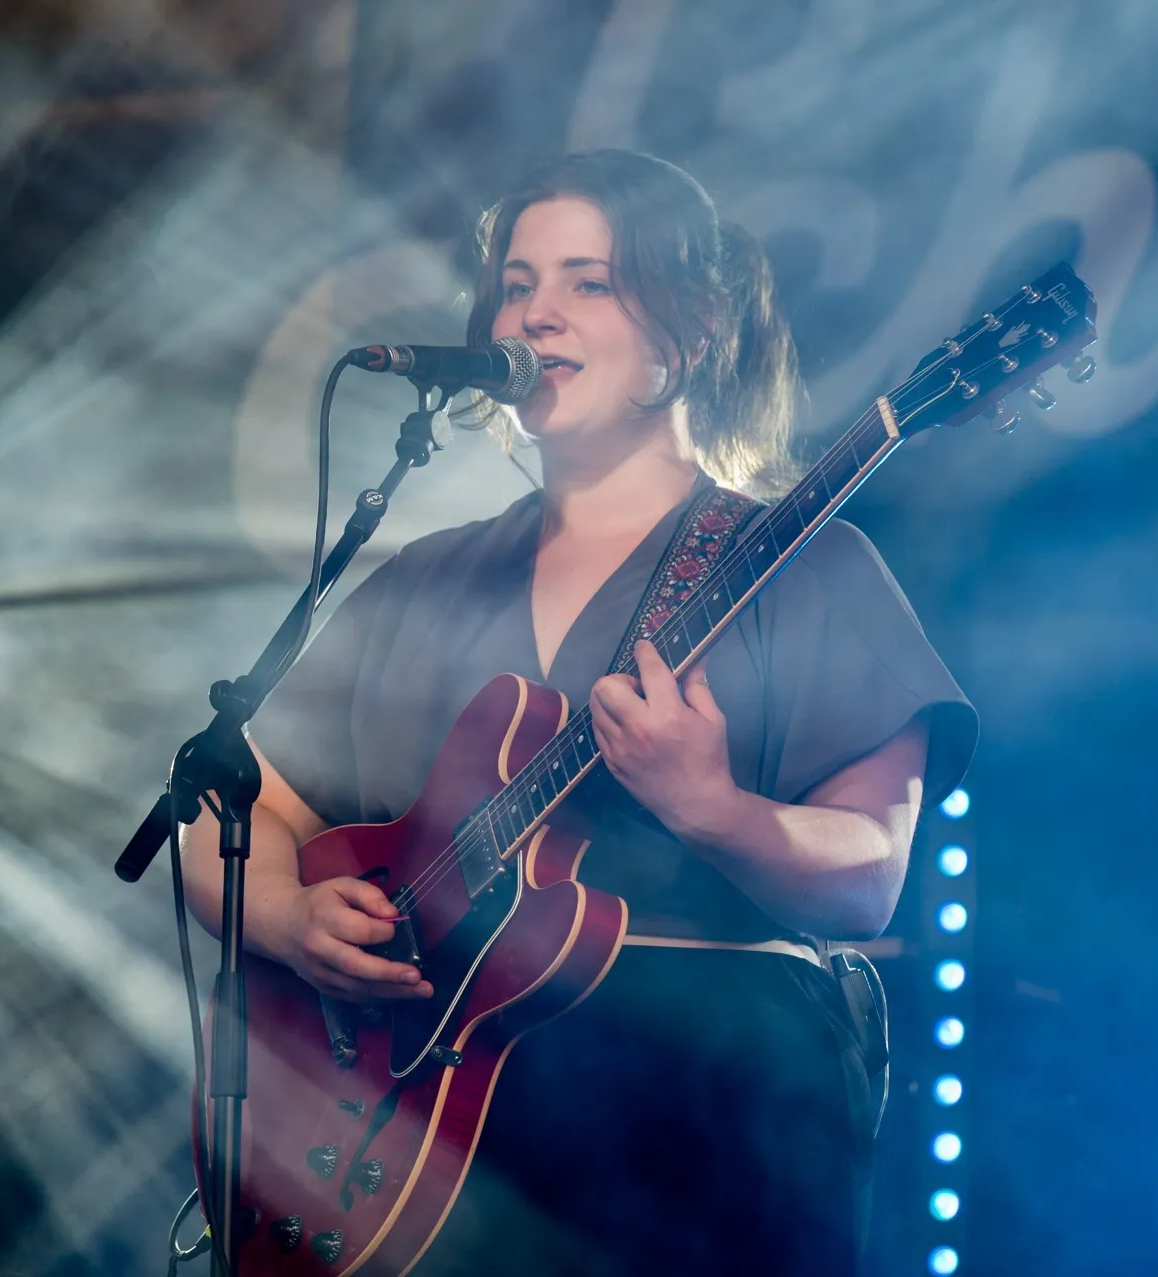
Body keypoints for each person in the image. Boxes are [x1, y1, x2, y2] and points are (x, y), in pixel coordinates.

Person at [180, 149, 976, 1276]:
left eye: (589, 282)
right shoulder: (429, 580)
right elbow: (225, 810)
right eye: (517, 284)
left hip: (704, 1137)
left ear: (692, 329)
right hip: (428, 1147)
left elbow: (869, 876)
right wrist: (287, 916)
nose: (535, 313)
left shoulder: (810, 564)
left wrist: (713, 809)